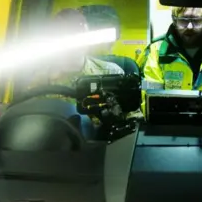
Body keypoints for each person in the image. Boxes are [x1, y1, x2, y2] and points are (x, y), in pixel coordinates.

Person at [28, 8, 143, 138]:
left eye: (79, 32)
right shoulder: (40, 81)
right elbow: (30, 120)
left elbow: (134, 121)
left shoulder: (111, 73)